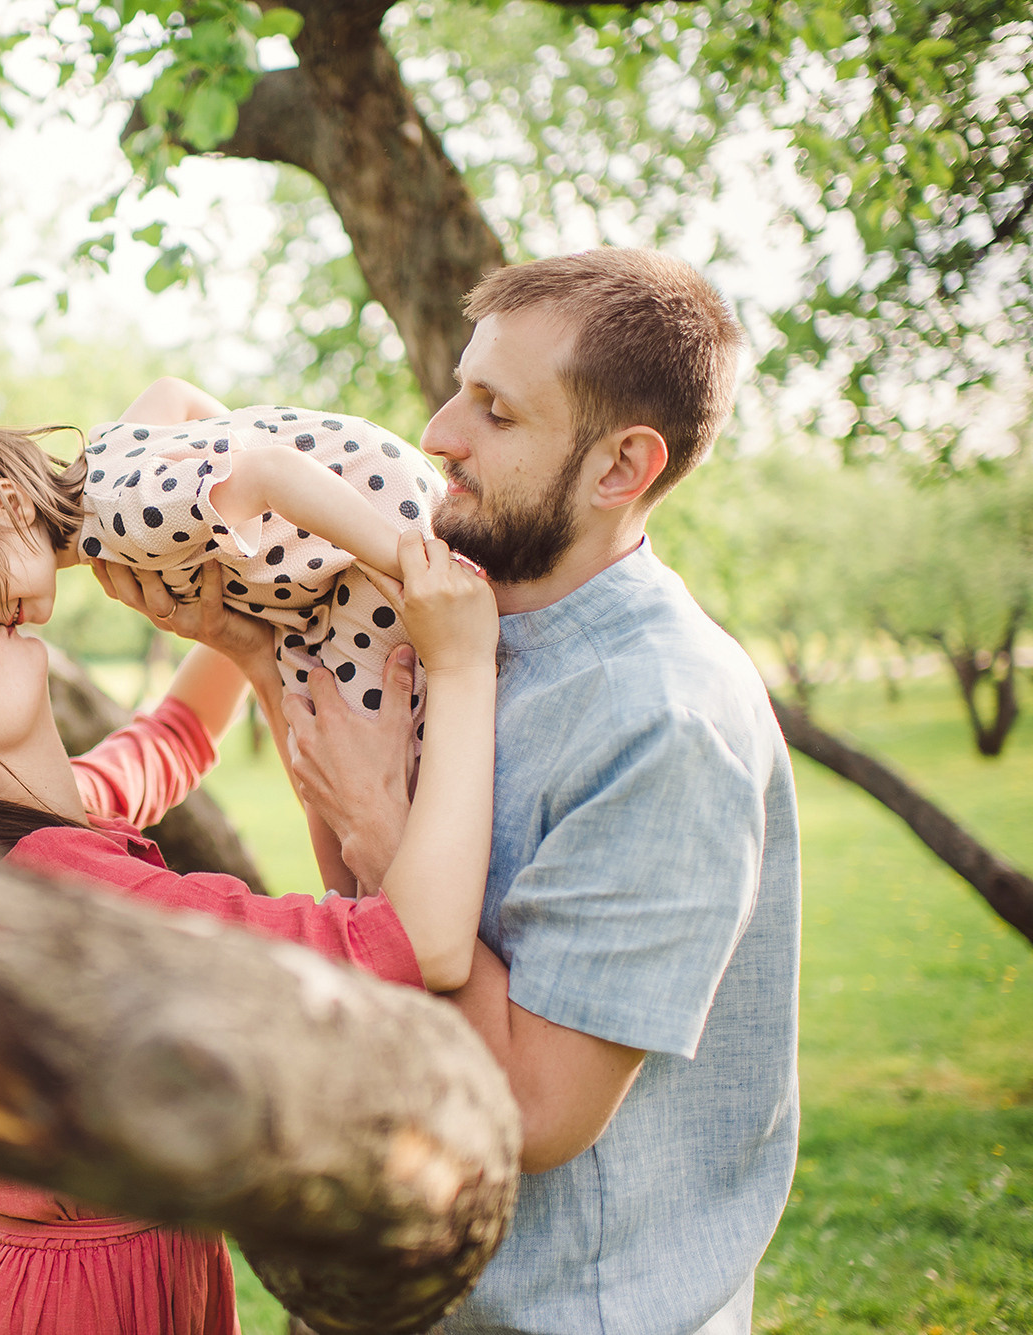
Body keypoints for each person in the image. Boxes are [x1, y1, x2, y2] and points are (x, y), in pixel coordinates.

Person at [0, 539, 499, 1335]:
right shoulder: (60, 901)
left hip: (30, 1273)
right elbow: (422, 941)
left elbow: (174, 738)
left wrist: (239, 600)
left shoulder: (29, 835)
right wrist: (462, 666)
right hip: (80, 1307)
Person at [275, 248, 801, 1335]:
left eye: (494, 413)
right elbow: (372, 934)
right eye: (459, 387)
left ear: (620, 468)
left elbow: (535, 1109)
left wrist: (381, 823)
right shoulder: (470, 630)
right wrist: (257, 658)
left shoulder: (663, 721)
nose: (436, 434)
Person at [0, 380, 439, 895]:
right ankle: (357, 901)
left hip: (371, 560)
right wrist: (228, 446)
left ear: (9, 504)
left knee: (344, 757)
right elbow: (171, 395)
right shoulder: (109, 460)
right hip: (352, 542)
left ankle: (357, 902)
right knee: (321, 735)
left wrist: (406, 568)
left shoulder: (125, 516)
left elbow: (273, 471)